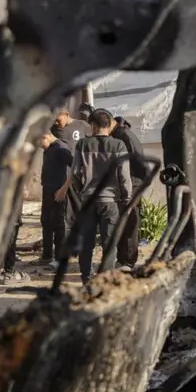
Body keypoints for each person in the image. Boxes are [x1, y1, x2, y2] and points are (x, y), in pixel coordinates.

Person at [70, 109, 132, 283]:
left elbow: (75, 173)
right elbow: (124, 176)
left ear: (93, 125)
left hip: (88, 199)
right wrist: (127, 199)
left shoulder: (82, 144)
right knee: (109, 244)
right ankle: (105, 281)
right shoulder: (119, 145)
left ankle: (86, 279)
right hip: (110, 201)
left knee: (86, 242)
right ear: (108, 124)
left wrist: (81, 190)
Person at [110, 115, 150, 267]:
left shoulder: (125, 136)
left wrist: (140, 184)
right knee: (123, 221)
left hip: (133, 184)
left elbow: (139, 161)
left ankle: (128, 261)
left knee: (129, 222)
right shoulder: (118, 134)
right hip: (125, 184)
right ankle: (122, 259)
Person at [39, 131, 73, 268]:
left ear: (45, 135)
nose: (39, 146)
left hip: (58, 192)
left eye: (39, 142)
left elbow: (75, 168)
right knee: (46, 222)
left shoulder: (61, 148)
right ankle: (47, 256)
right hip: (47, 190)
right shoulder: (49, 149)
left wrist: (64, 189)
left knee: (59, 225)